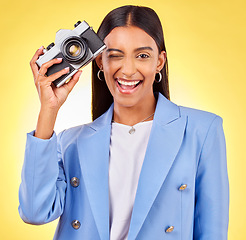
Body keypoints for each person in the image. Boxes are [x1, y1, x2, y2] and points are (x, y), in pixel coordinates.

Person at [18, 5, 229, 240]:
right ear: (99, 61)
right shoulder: (71, 142)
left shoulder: (203, 130)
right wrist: (49, 109)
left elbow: (212, 232)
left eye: (142, 55)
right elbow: (35, 212)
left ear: (160, 61)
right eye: (115, 55)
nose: (127, 70)